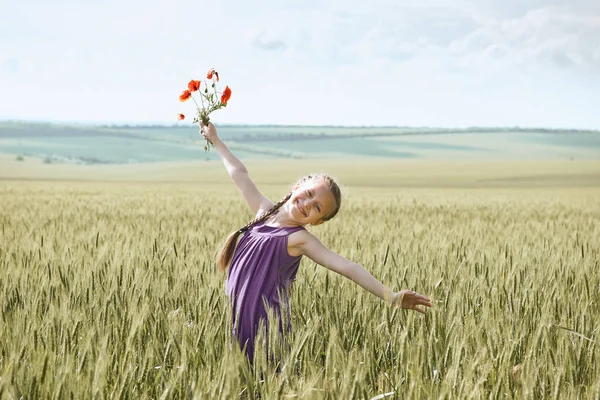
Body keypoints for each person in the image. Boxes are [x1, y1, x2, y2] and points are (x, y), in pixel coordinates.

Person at [200, 122, 433, 364]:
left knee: (268, 381)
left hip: (266, 327)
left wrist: (392, 296)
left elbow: (348, 267)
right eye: (309, 194)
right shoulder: (262, 213)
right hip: (236, 319)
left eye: (317, 208)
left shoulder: (299, 239)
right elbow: (240, 173)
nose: (307, 204)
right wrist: (215, 139)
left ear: (318, 222)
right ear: (297, 186)